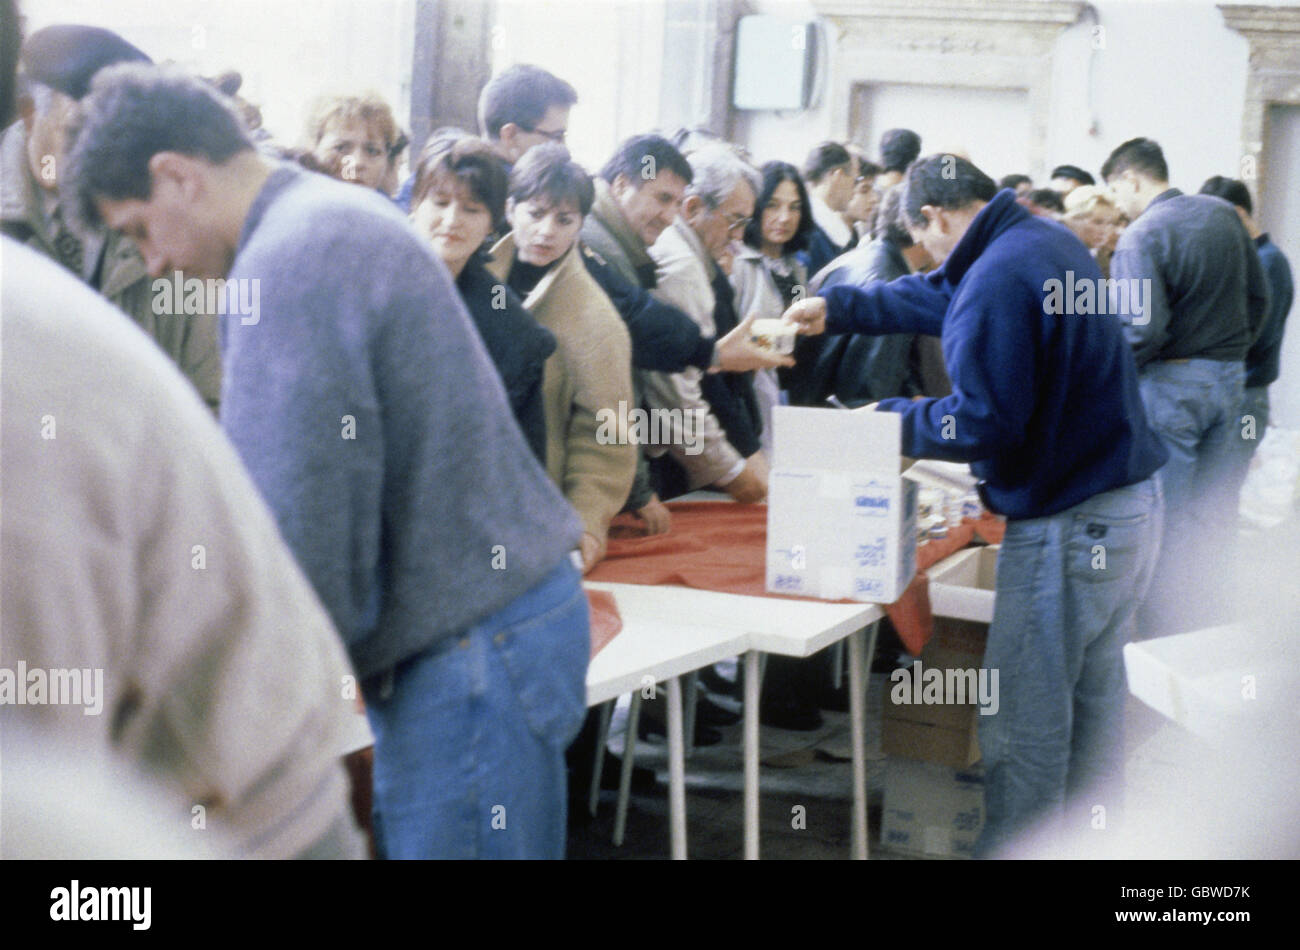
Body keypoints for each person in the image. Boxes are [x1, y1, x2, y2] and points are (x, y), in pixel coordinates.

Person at [66, 63, 591, 860]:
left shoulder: (288, 261)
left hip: (468, 651)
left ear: (175, 177)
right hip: (493, 630)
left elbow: (301, 542)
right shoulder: (322, 222)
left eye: (139, 231)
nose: (158, 264)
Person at [783, 154, 1168, 858]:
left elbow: (984, 422)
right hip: (1127, 508)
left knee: (1023, 725)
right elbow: (941, 293)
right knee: (1091, 709)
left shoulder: (997, 272)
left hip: (1069, 522)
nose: (929, 256)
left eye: (926, 238)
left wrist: (884, 416)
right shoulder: (1038, 239)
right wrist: (835, 308)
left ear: (933, 216)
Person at [2, 24, 220, 410]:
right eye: (79, 130)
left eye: (118, 136)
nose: (101, 155)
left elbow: (210, 397)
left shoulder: (168, 229)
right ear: (32, 114)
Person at [1103, 137, 1269, 637]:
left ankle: (1158, 639)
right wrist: (1229, 355)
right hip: (1230, 380)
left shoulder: (1141, 235)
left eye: (1115, 191)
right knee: (1213, 516)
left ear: (1131, 179)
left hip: (1172, 386)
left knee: (1164, 521)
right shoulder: (1222, 214)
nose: (1115, 205)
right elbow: (1258, 299)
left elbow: (1140, 329)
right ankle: (1205, 630)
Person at [484, 143, 637, 571]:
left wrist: (586, 523)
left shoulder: (596, 321)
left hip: (535, 522)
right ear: (510, 209)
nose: (547, 230)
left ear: (580, 225)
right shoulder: (466, 279)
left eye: (564, 219)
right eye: (535, 213)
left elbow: (608, 434)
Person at [409, 130, 555, 464]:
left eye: (471, 209)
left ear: (492, 221)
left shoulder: (515, 334)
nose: (451, 221)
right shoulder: (362, 286)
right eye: (440, 203)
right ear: (416, 203)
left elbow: (523, 462)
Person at [643, 144, 768, 503]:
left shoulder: (689, 255)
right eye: (735, 220)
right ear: (694, 208)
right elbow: (677, 394)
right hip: (661, 457)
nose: (740, 236)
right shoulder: (683, 268)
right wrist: (730, 471)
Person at [800, 184, 942, 405]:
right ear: (919, 227)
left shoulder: (861, 257)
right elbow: (871, 393)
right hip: (841, 426)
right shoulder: (891, 287)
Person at [1198, 175, 1294, 453]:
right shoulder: (1246, 259)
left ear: (1239, 213)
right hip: (1234, 393)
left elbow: (1260, 334)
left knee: (1231, 473)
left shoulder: (1268, 262)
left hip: (1249, 399)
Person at [733, 159, 811, 457]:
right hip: (748, 393)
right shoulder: (739, 262)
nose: (784, 217)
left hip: (784, 390)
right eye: (773, 206)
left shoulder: (795, 267)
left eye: (794, 207)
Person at [304, 92, 402, 195]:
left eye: (372, 151)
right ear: (313, 149)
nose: (357, 162)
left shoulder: (386, 211)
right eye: (341, 148)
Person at [800, 140, 858, 277]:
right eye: (854, 180)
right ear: (837, 176)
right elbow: (799, 293)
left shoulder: (806, 220)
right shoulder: (814, 233)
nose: (854, 190)